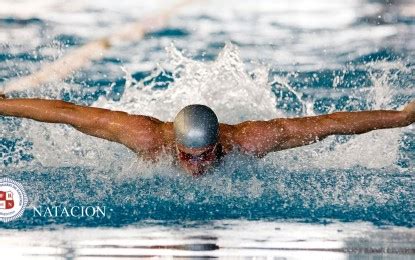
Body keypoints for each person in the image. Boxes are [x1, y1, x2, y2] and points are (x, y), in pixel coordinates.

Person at [0, 94, 413, 176]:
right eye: (187, 157)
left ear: (219, 145)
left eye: (206, 156)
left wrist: (400, 117)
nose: (196, 167)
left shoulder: (250, 140)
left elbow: (331, 123)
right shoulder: (143, 136)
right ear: (174, 146)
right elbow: (67, 113)